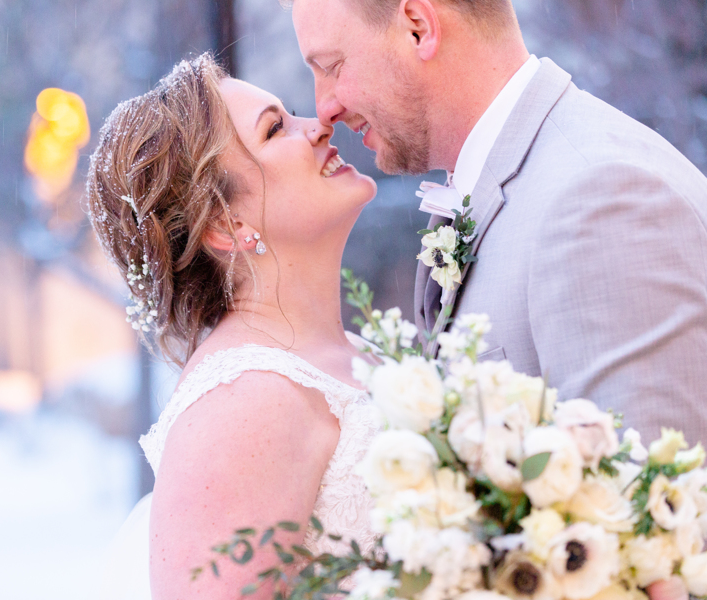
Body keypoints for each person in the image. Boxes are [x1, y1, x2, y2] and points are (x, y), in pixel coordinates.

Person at [290, 0, 707, 444]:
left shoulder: (599, 197)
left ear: (418, 27)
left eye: (332, 66)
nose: (323, 109)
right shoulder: (504, 188)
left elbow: (650, 492)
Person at [88, 55, 380, 599]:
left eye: (289, 114)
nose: (318, 124)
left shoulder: (359, 352)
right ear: (228, 225)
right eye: (276, 129)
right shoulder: (245, 400)